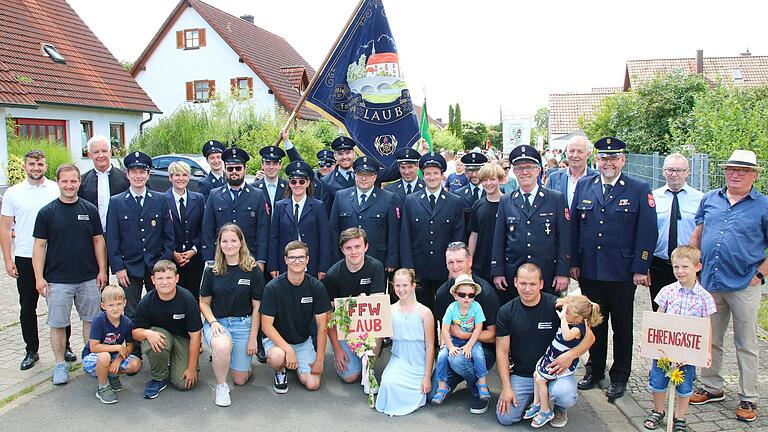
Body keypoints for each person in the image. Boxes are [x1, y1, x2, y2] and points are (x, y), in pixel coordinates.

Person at [570, 137, 657, 401]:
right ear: (597, 159)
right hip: (591, 270)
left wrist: (641, 267)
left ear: (623, 160)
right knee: (594, 323)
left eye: (613, 158)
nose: (608, 162)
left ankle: (620, 376)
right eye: (603, 158)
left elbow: (647, 232)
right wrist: (574, 261)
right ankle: (594, 369)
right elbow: (574, 226)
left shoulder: (638, 188)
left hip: (622, 273)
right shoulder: (585, 185)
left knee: (622, 327)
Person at [688, 149, 767, 422]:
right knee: (710, 339)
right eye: (731, 169)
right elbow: (697, 235)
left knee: (746, 342)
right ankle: (712, 387)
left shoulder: (764, 205)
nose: (735, 174)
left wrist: (759, 276)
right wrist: (692, 267)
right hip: (711, 281)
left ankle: (749, 397)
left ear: (754, 175)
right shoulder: (710, 199)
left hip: (745, 283)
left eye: (743, 170)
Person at [32, 163, 108, 385]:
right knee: (58, 323)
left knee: (91, 321)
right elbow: (39, 246)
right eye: (64, 181)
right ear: (58, 182)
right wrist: (39, 277)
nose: (69, 185)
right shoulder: (47, 212)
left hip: (88, 277)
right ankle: (59, 365)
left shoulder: (89, 210)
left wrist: (102, 270)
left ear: (79, 182)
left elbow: (98, 241)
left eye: (73, 181)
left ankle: (89, 359)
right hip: (57, 280)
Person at [1, 150, 75, 370]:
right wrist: (7, 259)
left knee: (60, 303)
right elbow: (5, 229)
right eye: (32, 164)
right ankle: (31, 349)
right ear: (25, 166)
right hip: (24, 256)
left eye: (40, 164)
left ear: (45, 166)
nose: (36, 167)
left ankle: (66, 345)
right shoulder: (13, 193)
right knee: (27, 306)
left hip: (55, 255)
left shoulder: (55, 188)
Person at [496, 264, 595, 427]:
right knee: (505, 418)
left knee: (565, 395)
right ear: (515, 282)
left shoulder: (558, 305)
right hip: (523, 374)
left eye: (533, 284)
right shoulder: (506, 311)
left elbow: (590, 338)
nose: (527, 289)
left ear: (541, 284)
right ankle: (536, 401)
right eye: (523, 283)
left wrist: (570, 355)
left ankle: (559, 407)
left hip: (555, 370)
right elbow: (502, 351)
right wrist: (506, 388)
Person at [643, 246, 716, 432]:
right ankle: (659, 411)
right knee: (658, 382)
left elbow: (706, 327)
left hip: (687, 353)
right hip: (664, 351)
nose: (680, 271)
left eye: (685, 267)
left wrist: (706, 352)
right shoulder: (667, 291)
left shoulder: (704, 298)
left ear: (697, 267)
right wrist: (647, 342)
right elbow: (657, 319)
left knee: (684, 386)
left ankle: (680, 417)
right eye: (676, 267)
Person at [491, 145, 571, 304]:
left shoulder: (555, 198)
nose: (524, 172)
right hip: (514, 276)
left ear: (538, 170)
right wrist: (497, 271)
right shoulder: (506, 200)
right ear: (514, 171)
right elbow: (499, 239)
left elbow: (564, 239)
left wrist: (563, 272)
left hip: (547, 275)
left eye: (529, 167)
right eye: (520, 168)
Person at [199, 224, 265, 407]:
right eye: (224, 241)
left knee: (240, 379)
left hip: (244, 324)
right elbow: (203, 303)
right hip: (218, 322)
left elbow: (257, 306)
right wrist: (212, 322)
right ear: (219, 244)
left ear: (241, 242)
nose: (229, 245)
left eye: (233, 240)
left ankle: (242, 364)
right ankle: (221, 386)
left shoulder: (252, 270)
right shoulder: (211, 270)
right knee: (221, 346)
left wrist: (254, 338)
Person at [432, 242, 500, 414]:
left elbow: (493, 336)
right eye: (450, 262)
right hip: (453, 347)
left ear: (470, 261)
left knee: (458, 360)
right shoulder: (442, 293)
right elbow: (443, 329)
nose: (455, 267)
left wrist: (463, 335)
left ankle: (477, 390)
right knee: (431, 393)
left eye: (460, 261)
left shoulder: (485, 293)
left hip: (481, 352)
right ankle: (457, 377)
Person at [106, 152, 174, 319]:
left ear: (148, 174)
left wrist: (163, 263)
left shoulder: (160, 200)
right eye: (134, 172)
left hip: (155, 266)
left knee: (160, 308)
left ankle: (160, 343)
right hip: (129, 268)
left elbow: (169, 236)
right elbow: (112, 238)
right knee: (131, 312)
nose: (138, 176)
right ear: (127, 174)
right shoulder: (116, 202)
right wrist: (118, 268)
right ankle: (134, 345)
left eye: (142, 172)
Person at [260, 241, 331, 392]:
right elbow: (266, 326)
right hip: (277, 342)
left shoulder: (316, 287)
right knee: (277, 357)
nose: (296, 261)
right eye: (292, 258)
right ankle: (281, 371)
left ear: (307, 259)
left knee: (312, 384)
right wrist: (288, 350)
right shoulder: (272, 288)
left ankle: (297, 363)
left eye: (300, 257)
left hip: (302, 341)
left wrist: (320, 360)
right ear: (285, 260)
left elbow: (322, 326)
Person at [400, 152, 465, 313]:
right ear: (423, 175)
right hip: (419, 268)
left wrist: (455, 268)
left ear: (442, 175)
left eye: (435, 173)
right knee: (421, 311)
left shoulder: (455, 201)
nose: (431, 177)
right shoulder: (411, 200)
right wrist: (408, 266)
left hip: (445, 268)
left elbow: (458, 237)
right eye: (428, 174)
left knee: (447, 311)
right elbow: (405, 236)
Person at [525, 295, 602, 428]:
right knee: (536, 374)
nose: (564, 313)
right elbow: (565, 302)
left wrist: (563, 320)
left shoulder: (577, 327)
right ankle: (536, 403)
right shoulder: (572, 317)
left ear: (578, 318)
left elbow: (567, 337)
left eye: (568, 312)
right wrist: (564, 304)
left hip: (559, 360)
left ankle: (545, 411)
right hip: (552, 355)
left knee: (540, 380)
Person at [132, 260, 202, 399]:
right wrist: (147, 333)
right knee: (155, 341)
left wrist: (192, 368)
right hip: (161, 336)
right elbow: (135, 333)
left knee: (184, 384)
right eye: (160, 278)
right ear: (153, 280)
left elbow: (196, 336)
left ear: (176, 278)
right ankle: (159, 378)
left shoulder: (187, 299)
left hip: (183, 339)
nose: (165, 282)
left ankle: (175, 362)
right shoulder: (147, 301)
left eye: (169, 278)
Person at [323, 227, 386, 383]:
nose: (353, 252)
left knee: (378, 327)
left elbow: (377, 309)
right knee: (350, 376)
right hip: (344, 327)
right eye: (348, 248)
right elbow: (329, 317)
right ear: (342, 250)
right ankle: (355, 357)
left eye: (358, 246)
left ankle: (369, 369)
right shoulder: (332, 275)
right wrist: (337, 349)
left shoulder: (376, 267)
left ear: (366, 247)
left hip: (367, 324)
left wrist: (363, 303)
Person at [376, 268, 434, 416]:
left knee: (419, 389)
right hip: (399, 358)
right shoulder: (389, 310)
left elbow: (430, 345)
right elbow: (375, 329)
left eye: (405, 285)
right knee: (388, 384)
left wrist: (427, 376)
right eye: (397, 286)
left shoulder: (425, 313)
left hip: (419, 361)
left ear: (413, 286)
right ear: (393, 286)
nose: (401, 290)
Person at [649, 154, 703, 312]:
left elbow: (702, 234)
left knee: (687, 312)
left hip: (688, 266)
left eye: (680, 170)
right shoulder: (652, 197)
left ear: (688, 172)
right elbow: (646, 232)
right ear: (663, 171)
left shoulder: (700, 199)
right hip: (659, 265)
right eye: (670, 170)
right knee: (660, 313)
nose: (675, 174)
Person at [329, 156, 401, 271]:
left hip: (378, 259)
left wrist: (391, 261)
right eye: (360, 174)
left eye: (368, 175)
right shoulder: (340, 196)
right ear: (354, 175)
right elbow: (334, 230)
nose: (364, 178)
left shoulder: (389, 198)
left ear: (375, 177)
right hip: (347, 259)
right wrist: (336, 258)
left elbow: (393, 233)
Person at [201, 147, 269, 266]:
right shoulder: (214, 195)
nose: (234, 172)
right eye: (230, 168)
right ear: (225, 169)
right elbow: (207, 230)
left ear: (245, 169)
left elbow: (262, 231)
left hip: (249, 258)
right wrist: (210, 260)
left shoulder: (257, 195)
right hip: (221, 259)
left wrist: (261, 260)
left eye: (238, 168)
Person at [432, 274, 490, 404]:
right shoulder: (452, 308)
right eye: (462, 295)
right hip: (454, 340)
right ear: (455, 295)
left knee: (478, 354)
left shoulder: (476, 307)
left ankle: (482, 383)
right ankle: (442, 387)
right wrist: (450, 346)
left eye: (471, 295)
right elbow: (445, 329)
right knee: (442, 356)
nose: (466, 298)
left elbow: (478, 329)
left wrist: (470, 345)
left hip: (472, 340)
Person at [268, 160, 331, 279]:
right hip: (285, 262)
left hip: (311, 263)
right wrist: (273, 265)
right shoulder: (280, 206)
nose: (297, 185)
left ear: (307, 183)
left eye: (301, 181)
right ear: (289, 184)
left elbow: (324, 238)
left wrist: (323, 266)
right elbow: (273, 238)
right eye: (293, 181)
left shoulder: (318, 206)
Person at [81, 285, 142, 404]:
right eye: (111, 305)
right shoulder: (99, 321)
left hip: (114, 356)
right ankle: (103, 386)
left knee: (136, 364)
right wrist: (118, 347)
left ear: (125, 303)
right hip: (94, 357)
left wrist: (119, 359)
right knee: (105, 356)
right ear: (103, 306)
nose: (115, 308)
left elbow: (130, 346)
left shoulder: (127, 322)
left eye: (119, 304)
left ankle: (110, 375)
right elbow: (94, 347)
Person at [165, 161, 205, 299]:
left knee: (193, 297)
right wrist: (173, 252)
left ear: (189, 177)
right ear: (170, 178)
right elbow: (161, 231)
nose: (181, 178)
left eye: (184, 175)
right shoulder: (162, 200)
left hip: (194, 259)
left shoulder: (198, 199)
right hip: (172, 259)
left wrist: (194, 250)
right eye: (177, 175)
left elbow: (203, 228)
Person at [78, 135, 130, 231]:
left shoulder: (126, 179)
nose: (101, 155)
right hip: (92, 236)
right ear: (89, 155)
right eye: (96, 152)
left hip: (122, 234)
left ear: (110, 152)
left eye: (104, 151)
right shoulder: (82, 182)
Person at [468, 163, 505, 283]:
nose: (488, 183)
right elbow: (474, 235)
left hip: (503, 265)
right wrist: (469, 261)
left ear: (500, 180)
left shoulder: (509, 203)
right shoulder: (478, 205)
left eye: (492, 179)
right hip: (481, 264)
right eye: (484, 180)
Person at [546, 136, 598, 207]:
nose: (575, 155)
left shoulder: (597, 179)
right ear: (566, 153)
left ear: (588, 154)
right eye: (572, 151)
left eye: (580, 152)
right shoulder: (554, 178)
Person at [320, 136, 357, 215]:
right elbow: (326, 212)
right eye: (340, 154)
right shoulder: (327, 182)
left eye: (347, 153)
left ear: (354, 154)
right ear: (335, 156)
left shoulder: (366, 175)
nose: (344, 157)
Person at [455, 152, 488, 232]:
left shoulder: (494, 192)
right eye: (470, 171)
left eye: (477, 171)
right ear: (465, 172)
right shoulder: (458, 194)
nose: (474, 174)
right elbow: (458, 224)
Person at [252, 145, 288, 213]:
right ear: (262, 165)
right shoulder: (253, 188)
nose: (271, 167)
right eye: (268, 163)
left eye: (275, 163)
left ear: (280, 165)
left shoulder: (288, 187)